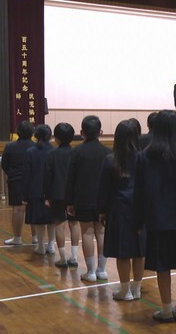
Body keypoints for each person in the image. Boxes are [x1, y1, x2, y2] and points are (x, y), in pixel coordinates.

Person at [133, 110, 176, 322]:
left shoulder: (144, 157)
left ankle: (165, 309)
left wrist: (138, 221)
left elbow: (139, 193)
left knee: (162, 267)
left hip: (157, 221)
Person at [97, 120, 146, 301]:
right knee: (140, 252)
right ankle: (137, 288)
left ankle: (125, 290)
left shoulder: (110, 160)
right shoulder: (143, 158)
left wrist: (102, 211)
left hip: (118, 211)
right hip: (140, 210)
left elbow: (104, 189)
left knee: (123, 253)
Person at [66, 115, 112, 282]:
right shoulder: (108, 152)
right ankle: (102, 270)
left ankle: (90, 271)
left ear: (81, 132)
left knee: (87, 232)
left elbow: (70, 179)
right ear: (101, 132)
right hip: (103, 199)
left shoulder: (76, 152)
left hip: (82, 198)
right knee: (101, 232)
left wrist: (69, 201)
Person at [44, 122, 81, 268]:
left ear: (56, 138)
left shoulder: (51, 154)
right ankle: (74, 257)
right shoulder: (76, 153)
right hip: (74, 194)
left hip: (57, 193)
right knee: (74, 223)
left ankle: (63, 258)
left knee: (59, 223)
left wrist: (47, 196)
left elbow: (47, 177)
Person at [1, 121, 35, 245]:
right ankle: (35, 237)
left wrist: (12, 174)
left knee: (18, 209)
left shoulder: (10, 146)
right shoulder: (35, 146)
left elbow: (4, 165)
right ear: (32, 132)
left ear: (17, 132)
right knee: (33, 208)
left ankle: (17, 238)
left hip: (16, 180)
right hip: (32, 180)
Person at [23, 124, 55, 255]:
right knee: (52, 220)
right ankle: (51, 245)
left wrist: (25, 195)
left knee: (39, 220)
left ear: (35, 136)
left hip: (35, 190)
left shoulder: (30, 152)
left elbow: (26, 175)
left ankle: (41, 246)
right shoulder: (54, 151)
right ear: (50, 136)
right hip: (52, 190)